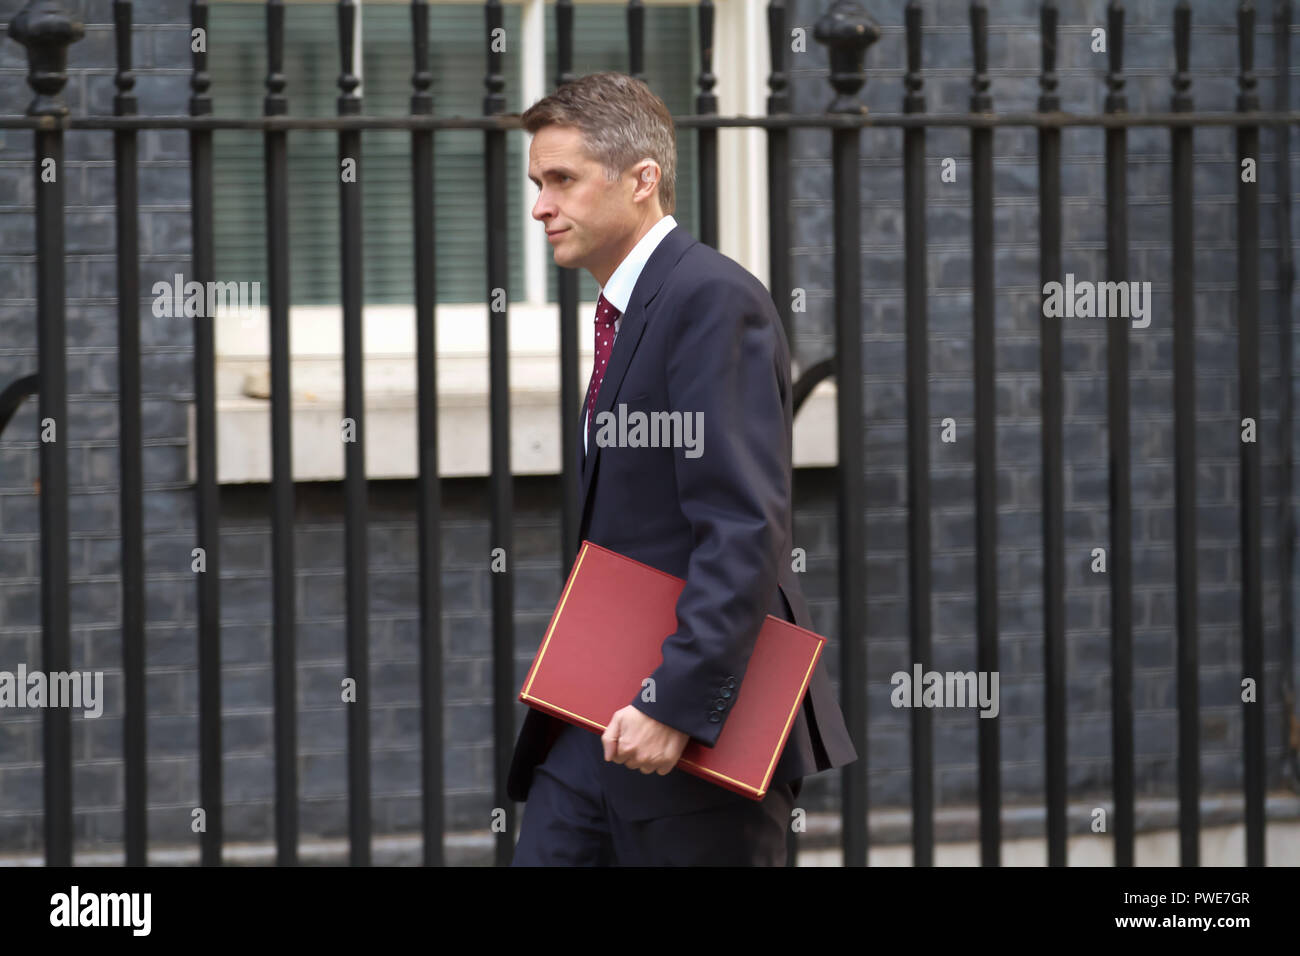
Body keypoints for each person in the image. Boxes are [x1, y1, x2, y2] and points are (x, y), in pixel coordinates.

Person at [508, 71, 857, 866]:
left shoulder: (708, 299)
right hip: (591, 723)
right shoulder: (631, 309)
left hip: (692, 735)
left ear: (642, 179)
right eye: (537, 183)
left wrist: (677, 703)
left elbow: (741, 525)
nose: (540, 206)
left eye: (561, 179)